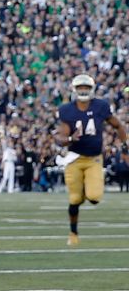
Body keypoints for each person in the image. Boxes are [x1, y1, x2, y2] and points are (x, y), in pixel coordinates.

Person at [55, 74, 127, 246]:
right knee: (74, 199)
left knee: (94, 197)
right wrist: (72, 139)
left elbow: (117, 125)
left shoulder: (100, 106)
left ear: (92, 89)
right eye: (80, 87)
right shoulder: (67, 110)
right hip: (75, 159)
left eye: (86, 87)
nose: (83, 90)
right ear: (74, 89)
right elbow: (60, 138)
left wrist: (125, 145)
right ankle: (73, 233)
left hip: (94, 158)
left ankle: (85, 191)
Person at [0, 125, 17, 194]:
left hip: (12, 163)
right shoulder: (6, 149)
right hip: (7, 163)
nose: (11, 144)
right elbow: (3, 142)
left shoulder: (14, 151)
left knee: (12, 177)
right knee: (5, 177)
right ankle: (0, 188)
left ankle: (10, 189)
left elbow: (15, 158)